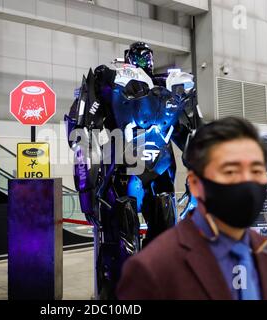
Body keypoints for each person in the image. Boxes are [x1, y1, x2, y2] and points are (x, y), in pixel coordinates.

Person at [65, 41, 203, 299]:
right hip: (120, 173)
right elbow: (81, 131)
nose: (142, 61)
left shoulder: (172, 88)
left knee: (164, 246)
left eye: (146, 57)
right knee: (119, 249)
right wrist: (86, 188)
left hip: (159, 174)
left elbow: (195, 138)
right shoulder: (109, 78)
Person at [117, 117, 267, 300]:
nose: (246, 181)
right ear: (194, 183)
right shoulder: (151, 268)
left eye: (256, 171)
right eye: (230, 171)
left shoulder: (266, 251)